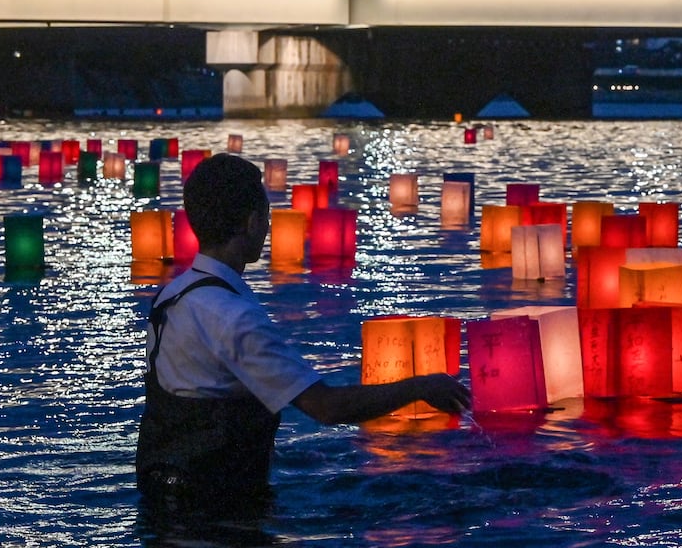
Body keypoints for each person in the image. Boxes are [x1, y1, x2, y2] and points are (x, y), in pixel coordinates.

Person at [136, 153, 470, 515]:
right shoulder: (233, 316)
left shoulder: (172, 295)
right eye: (265, 216)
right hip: (216, 504)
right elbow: (325, 407)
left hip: (161, 493)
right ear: (251, 222)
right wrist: (420, 387)